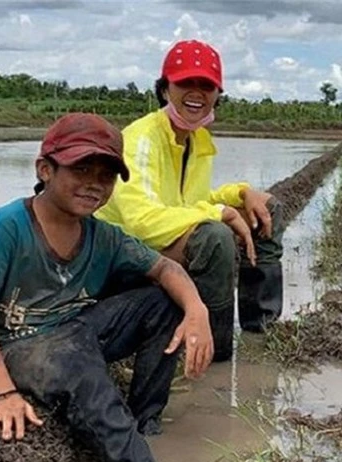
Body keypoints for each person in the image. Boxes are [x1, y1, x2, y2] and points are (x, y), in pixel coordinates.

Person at [0, 112, 218, 462]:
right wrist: (1, 392)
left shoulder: (103, 235)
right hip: (23, 345)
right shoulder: (7, 227)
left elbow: (165, 268)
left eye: (106, 175)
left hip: (79, 330)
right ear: (45, 169)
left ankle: (145, 420)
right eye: (82, 169)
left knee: (164, 301)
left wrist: (198, 311)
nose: (94, 185)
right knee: (79, 369)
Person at [96, 39, 284, 362]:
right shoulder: (142, 139)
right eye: (186, 82)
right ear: (165, 88)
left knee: (266, 208)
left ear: (217, 94)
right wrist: (219, 212)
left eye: (206, 85)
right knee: (215, 237)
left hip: (159, 239)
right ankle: (215, 353)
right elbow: (141, 222)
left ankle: (260, 328)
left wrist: (239, 194)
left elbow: (189, 201)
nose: (197, 93)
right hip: (122, 254)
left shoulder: (196, 139)